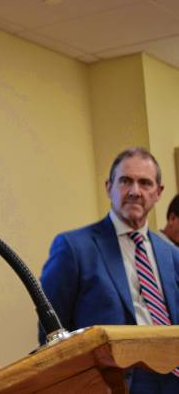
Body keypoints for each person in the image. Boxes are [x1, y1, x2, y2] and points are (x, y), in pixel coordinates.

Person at [39, 147, 179, 393]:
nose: (135, 191)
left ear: (158, 192)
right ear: (108, 187)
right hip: (116, 384)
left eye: (145, 183)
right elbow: (52, 335)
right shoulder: (74, 247)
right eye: (126, 181)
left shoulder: (172, 255)